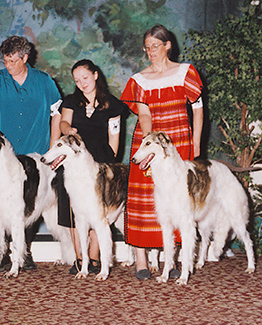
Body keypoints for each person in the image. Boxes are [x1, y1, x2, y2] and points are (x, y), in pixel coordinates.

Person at [121, 24, 203, 280]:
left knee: (178, 201)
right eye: (147, 48)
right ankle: (141, 259)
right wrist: (148, 141)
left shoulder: (186, 73)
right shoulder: (139, 79)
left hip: (178, 142)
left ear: (168, 45)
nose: (150, 52)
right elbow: (144, 114)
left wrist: (197, 143)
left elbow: (198, 110)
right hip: (149, 144)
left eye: (155, 46)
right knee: (144, 198)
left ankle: (172, 258)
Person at [0, 35, 62, 270]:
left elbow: (57, 114)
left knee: (29, 202)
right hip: (3, 156)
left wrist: (53, 149)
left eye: (13, 61)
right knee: (1, 202)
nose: (8, 66)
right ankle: (3, 252)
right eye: (5, 61)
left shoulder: (45, 81)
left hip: (35, 151)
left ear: (25, 58)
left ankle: (23, 252)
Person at [59, 59, 125, 274]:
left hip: (100, 162)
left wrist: (112, 161)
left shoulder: (111, 104)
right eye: (77, 80)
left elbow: (114, 135)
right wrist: (68, 129)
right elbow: (63, 122)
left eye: (85, 78)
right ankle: (80, 258)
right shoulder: (70, 101)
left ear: (96, 75)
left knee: (98, 212)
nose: (81, 83)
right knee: (72, 210)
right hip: (74, 165)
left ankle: (95, 257)